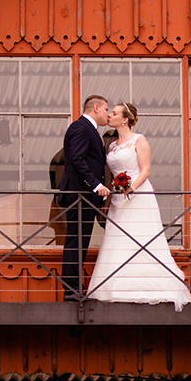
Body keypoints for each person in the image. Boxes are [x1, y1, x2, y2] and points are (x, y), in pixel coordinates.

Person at [87, 101, 191, 309]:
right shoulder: (112, 146)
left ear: (125, 119)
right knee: (117, 240)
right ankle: (115, 288)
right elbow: (112, 176)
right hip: (119, 198)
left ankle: (151, 287)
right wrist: (109, 201)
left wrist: (132, 187)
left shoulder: (139, 140)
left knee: (142, 237)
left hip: (138, 194)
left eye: (115, 113)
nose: (110, 116)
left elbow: (145, 170)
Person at [58, 95, 112, 297]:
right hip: (78, 196)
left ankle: (75, 287)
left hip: (86, 197)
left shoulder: (91, 130)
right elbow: (77, 159)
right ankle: (71, 290)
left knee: (81, 242)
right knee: (76, 241)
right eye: (106, 109)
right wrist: (96, 184)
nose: (108, 114)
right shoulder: (80, 128)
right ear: (96, 108)